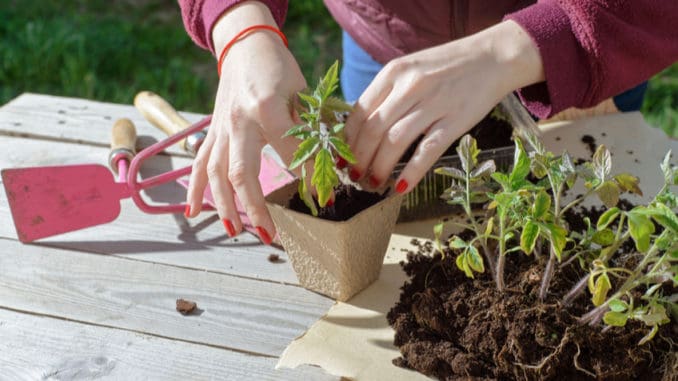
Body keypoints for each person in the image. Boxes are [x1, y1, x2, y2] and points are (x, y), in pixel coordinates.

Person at [178, 0, 678, 244]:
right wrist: (240, 24)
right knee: (377, 178)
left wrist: (522, 44)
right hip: (387, 38)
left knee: (583, 212)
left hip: (578, 44)